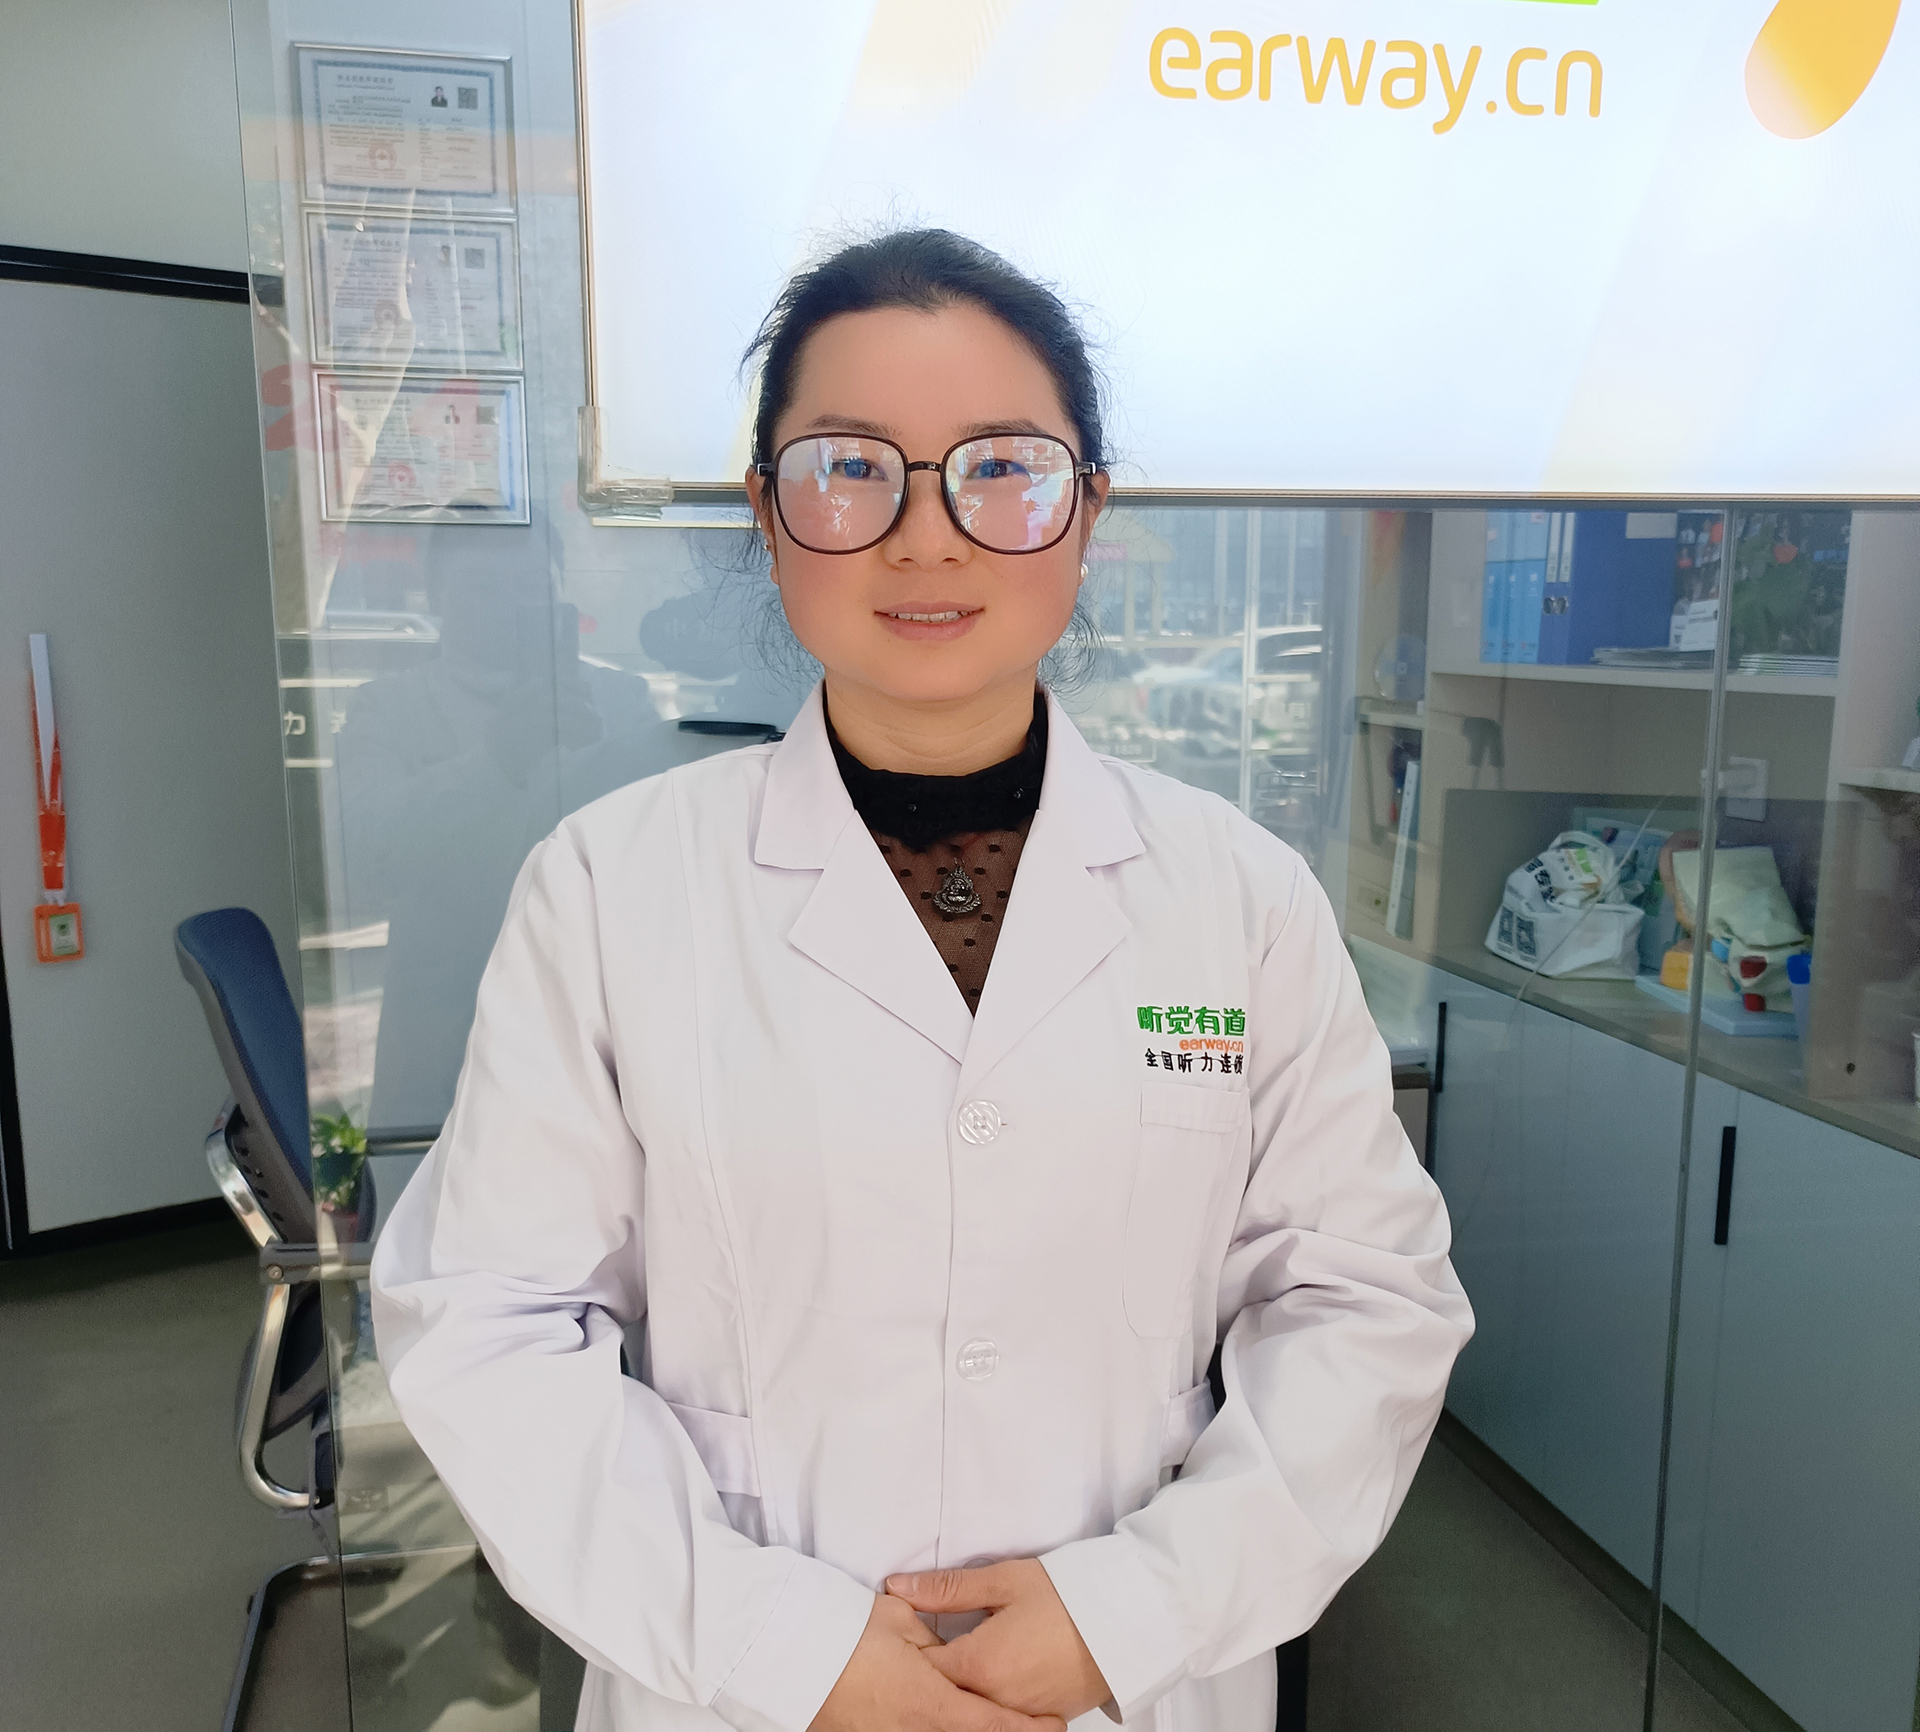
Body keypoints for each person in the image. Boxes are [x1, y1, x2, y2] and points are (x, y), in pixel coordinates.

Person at [372, 228, 1472, 1732]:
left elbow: (1367, 1301)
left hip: (1129, 1687)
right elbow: (488, 1324)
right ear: (768, 513)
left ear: (1087, 511)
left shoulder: (1240, 897)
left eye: (1002, 468)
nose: (929, 536)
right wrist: (786, 1648)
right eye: (851, 467)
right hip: (743, 1690)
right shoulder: (611, 888)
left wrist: (1132, 1612)